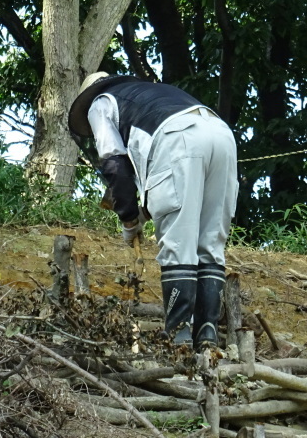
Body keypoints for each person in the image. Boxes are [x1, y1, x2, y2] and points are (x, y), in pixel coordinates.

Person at [68, 72, 238, 350]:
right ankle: (207, 336)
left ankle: (178, 340)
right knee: (210, 244)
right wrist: (141, 215)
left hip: (176, 139)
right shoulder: (147, 95)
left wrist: (128, 220)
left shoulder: (100, 104)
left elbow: (114, 163)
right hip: (221, 135)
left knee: (178, 245)